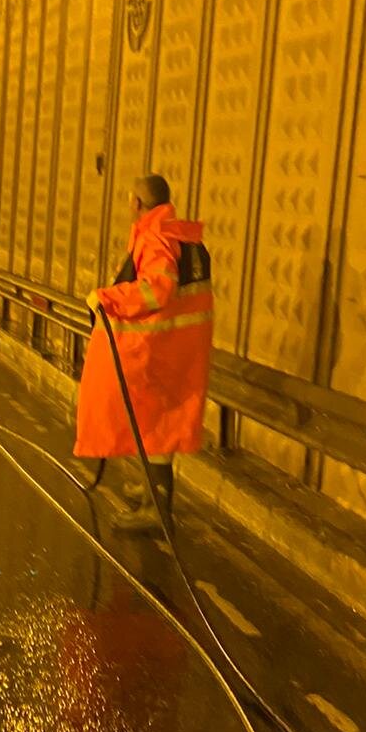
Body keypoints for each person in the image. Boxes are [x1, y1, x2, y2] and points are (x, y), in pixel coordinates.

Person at [74, 174, 213, 532]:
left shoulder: (156, 238)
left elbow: (157, 290)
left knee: (154, 423)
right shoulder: (184, 236)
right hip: (179, 345)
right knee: (157, 420)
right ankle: (152, 491)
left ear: (136, 202)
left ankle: (157, 510)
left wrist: (106, 297)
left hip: (156, 346)